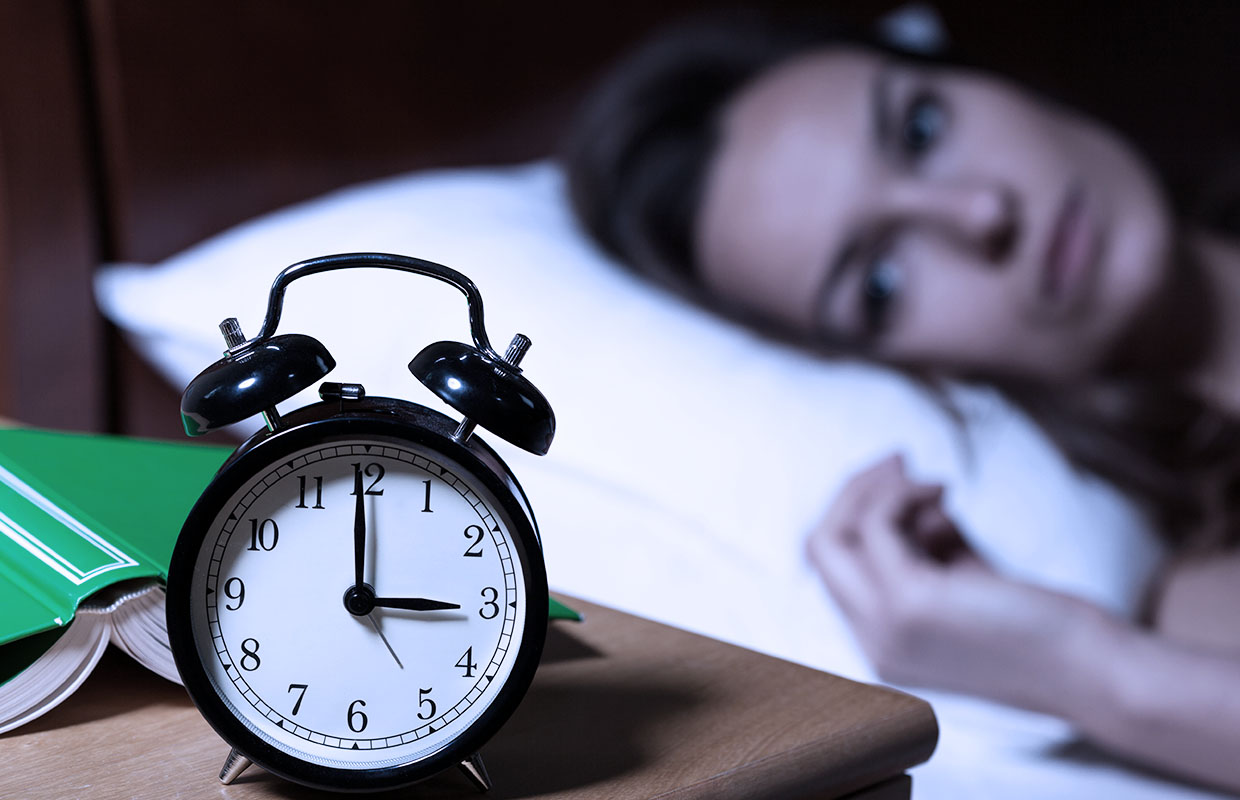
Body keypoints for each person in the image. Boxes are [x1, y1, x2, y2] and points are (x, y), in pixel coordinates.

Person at [563, 11, 1240, 792]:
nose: (981, 213)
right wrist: (1092, 674)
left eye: (921, 128)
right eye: (881, 284)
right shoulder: (1202, 594)